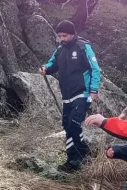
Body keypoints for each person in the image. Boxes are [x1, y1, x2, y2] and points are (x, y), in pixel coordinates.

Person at [40, 20, 102, 172]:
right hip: (66, 95)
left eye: (64, 35)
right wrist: (45, 69)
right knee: (67, 126)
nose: (61, 39)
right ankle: (71, 159)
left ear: (73, 34)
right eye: (59, 36)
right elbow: (52, 64)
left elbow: (95, 69)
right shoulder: (60, 49)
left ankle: (81, 155)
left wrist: (94, 90)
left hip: (82, 94)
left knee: (74, 123)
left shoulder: (83, 47)